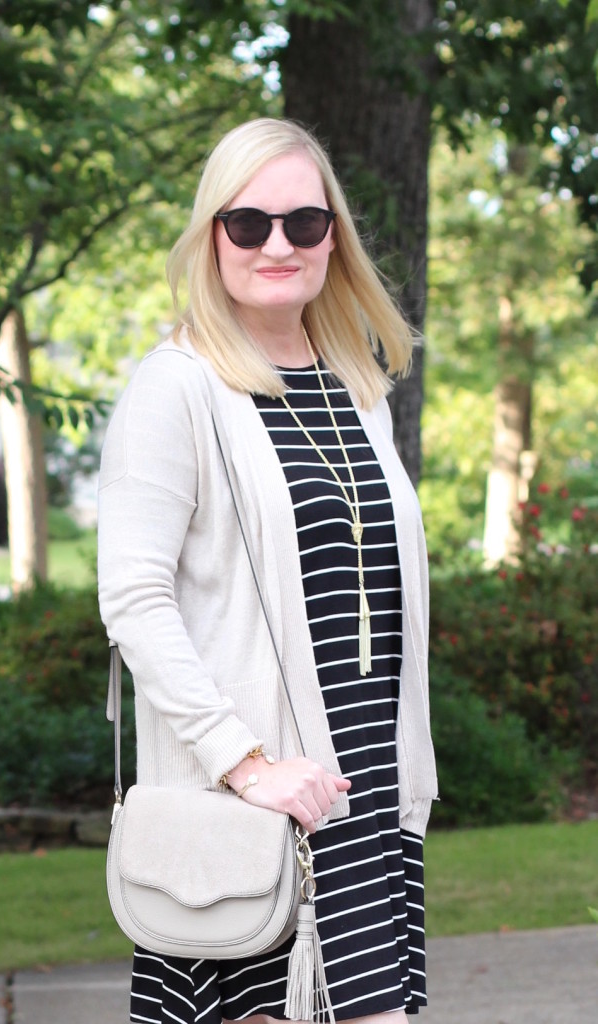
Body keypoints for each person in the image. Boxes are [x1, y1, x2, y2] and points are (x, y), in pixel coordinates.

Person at [97, 117, 438, 1024]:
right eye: (248, 224)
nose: (277, 244)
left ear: (336, 237)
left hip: (360, 801)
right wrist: (244, 764)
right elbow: (134, 600)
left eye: (304, 223)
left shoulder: (355, 383)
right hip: (256, 812)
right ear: (213, 236)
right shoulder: (177, 386)